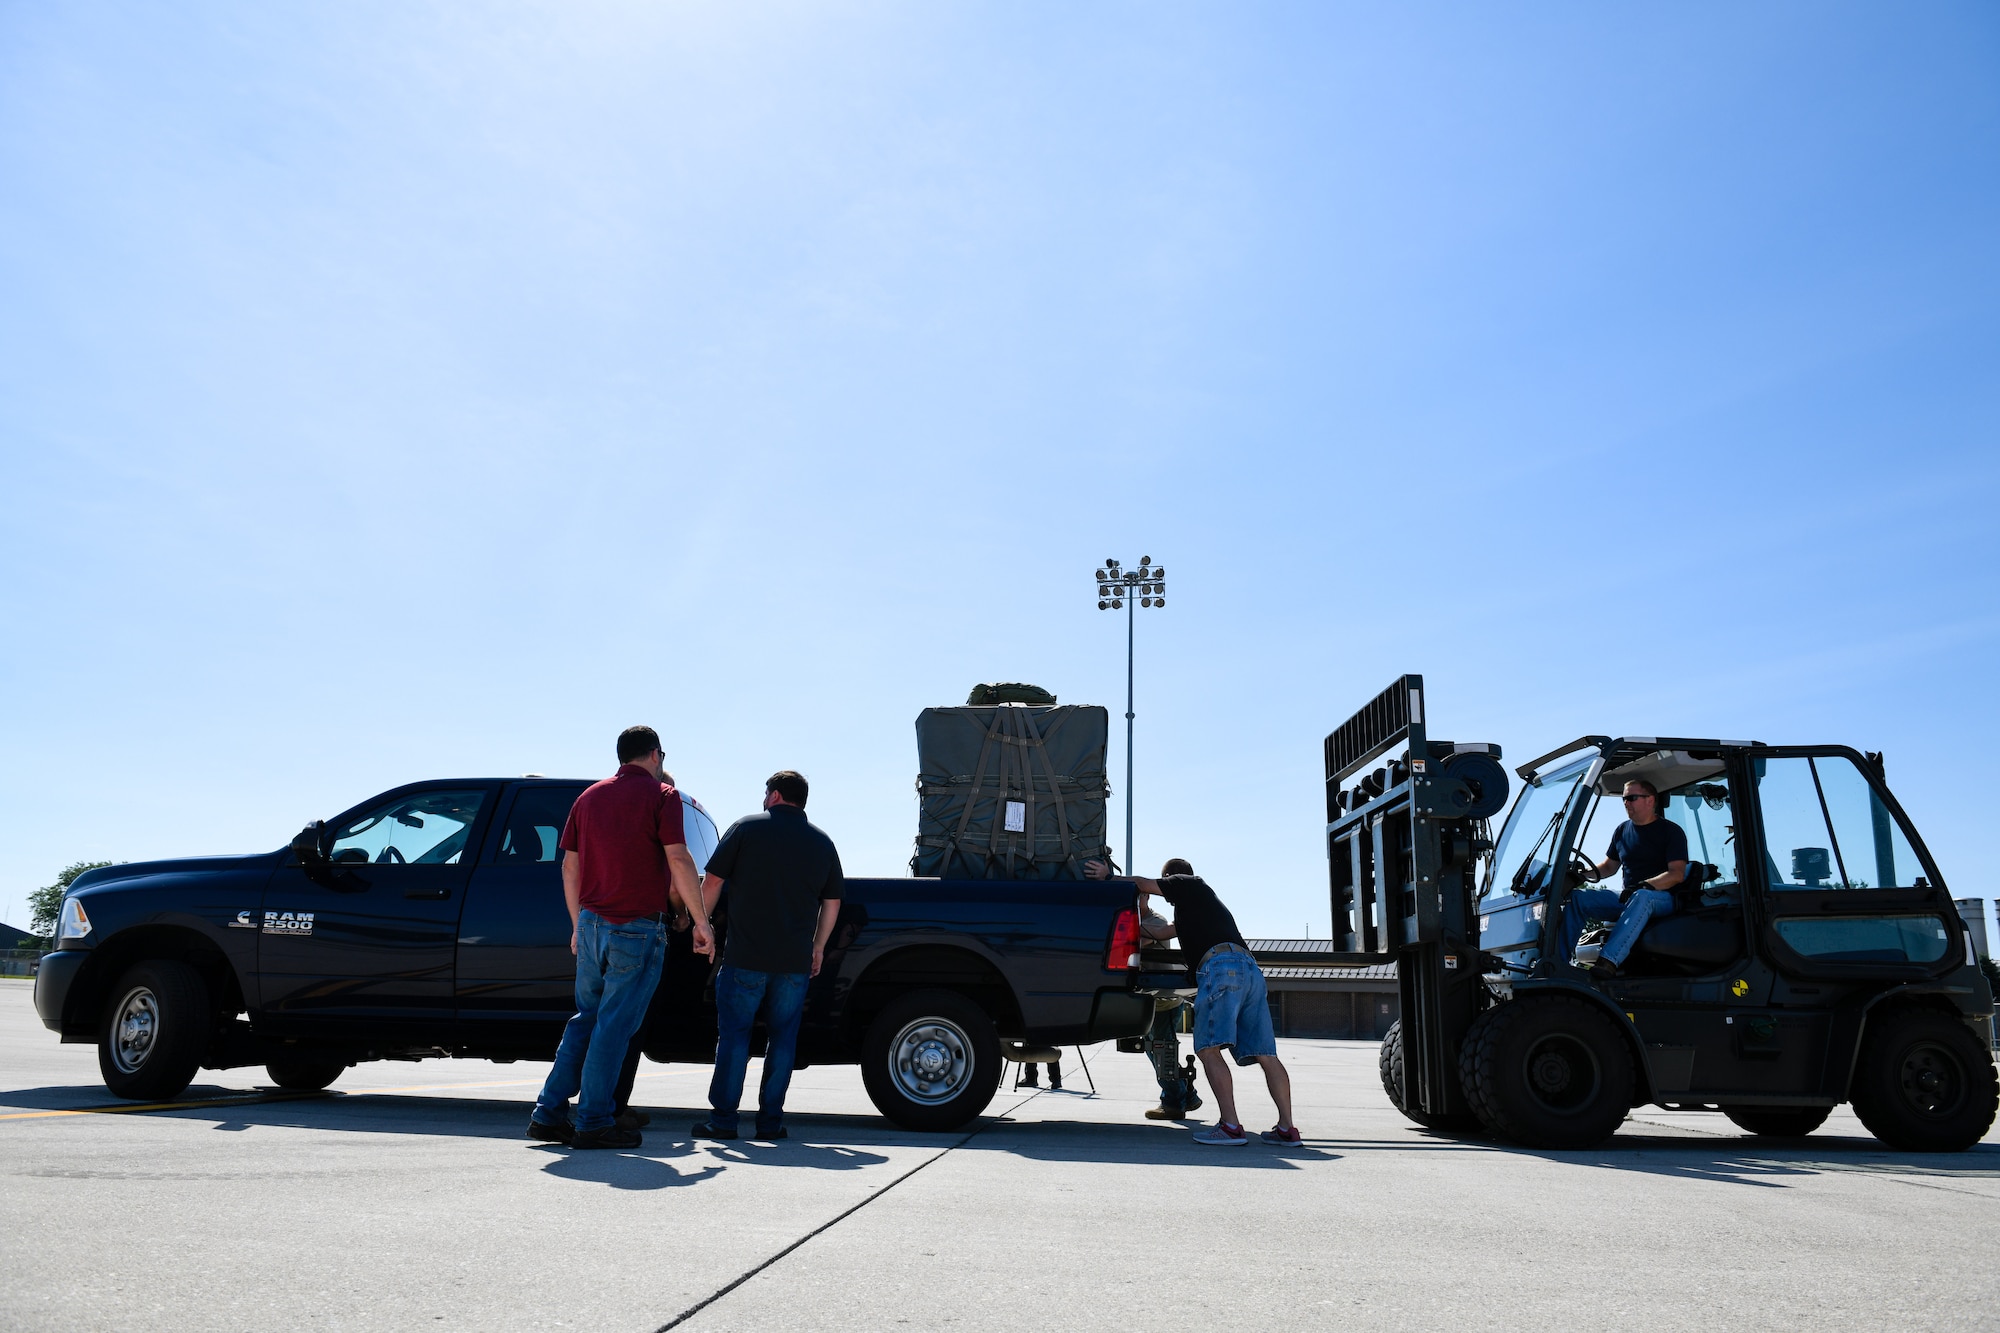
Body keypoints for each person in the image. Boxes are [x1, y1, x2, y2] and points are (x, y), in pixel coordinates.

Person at [529, 726, 712, 1150]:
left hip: (591, 926)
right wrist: (701, 921)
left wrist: (577, 923)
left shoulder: (588, 798)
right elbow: (679, 859)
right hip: (637, 928)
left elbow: (569, 868)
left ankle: (548, 1113)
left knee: (586, 1021)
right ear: (653, 755)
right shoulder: (662, 797)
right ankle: (593, 1121)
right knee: (613, 1028)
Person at [1085, 858, 1297, 1146]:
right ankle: (1287, 1129)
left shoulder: (1187, 883)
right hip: (1250, 970)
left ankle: (1230, 1126)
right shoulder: (1193, 911)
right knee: (1266, 1055)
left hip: (1221, 969)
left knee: (1208, 1049)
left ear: (1170, 878)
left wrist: (1107, 877)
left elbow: (1141, 883)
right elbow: (1157, 933)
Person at [693, 770, 844, 1142]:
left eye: (766, 793)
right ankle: (770, 1123)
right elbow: (832, 902)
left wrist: (703, 926)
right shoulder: (822, 842)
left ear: (775, 795)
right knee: (783, 1041)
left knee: (734, 1038)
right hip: (793, 965)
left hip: (744, 957)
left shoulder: (746, 828)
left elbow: (711, 881)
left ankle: (724, 1121)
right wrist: (819, 946)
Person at [1573, 778, 1689, 979]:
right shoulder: (1621, 831)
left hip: (1663, 898)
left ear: (1650, 800)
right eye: (1624, 799)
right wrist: (1580, 874)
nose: (1626, 803)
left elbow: (1676, 874)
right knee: (1577, 898)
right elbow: (1609, 867)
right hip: (1630, 897)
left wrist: (1645, 885)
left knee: (1643, 896)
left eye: (1631, 798)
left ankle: (1608, 962)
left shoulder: (1671, 831)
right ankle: (1559, 961)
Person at [1138, 858, 1202, 1121]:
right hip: (1151, 999)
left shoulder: (1155, 920)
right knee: (1156, 1048)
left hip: (1164, 1000)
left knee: (1160, 1048)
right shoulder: (1143, 919)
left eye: (1140, 896)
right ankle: (1186, 1093)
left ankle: (1174, 1100)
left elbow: (1139, 940)